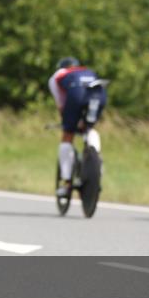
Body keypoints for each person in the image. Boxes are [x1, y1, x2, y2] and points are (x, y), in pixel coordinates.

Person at [48, 57, 107, 200]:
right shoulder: (88, 71)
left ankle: (66, 182)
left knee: (67, 135)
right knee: (89, 128)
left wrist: (68, 123)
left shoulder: (58, 75)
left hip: (76, 92)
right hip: (99, 93)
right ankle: (97, 162)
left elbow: (61, 103)